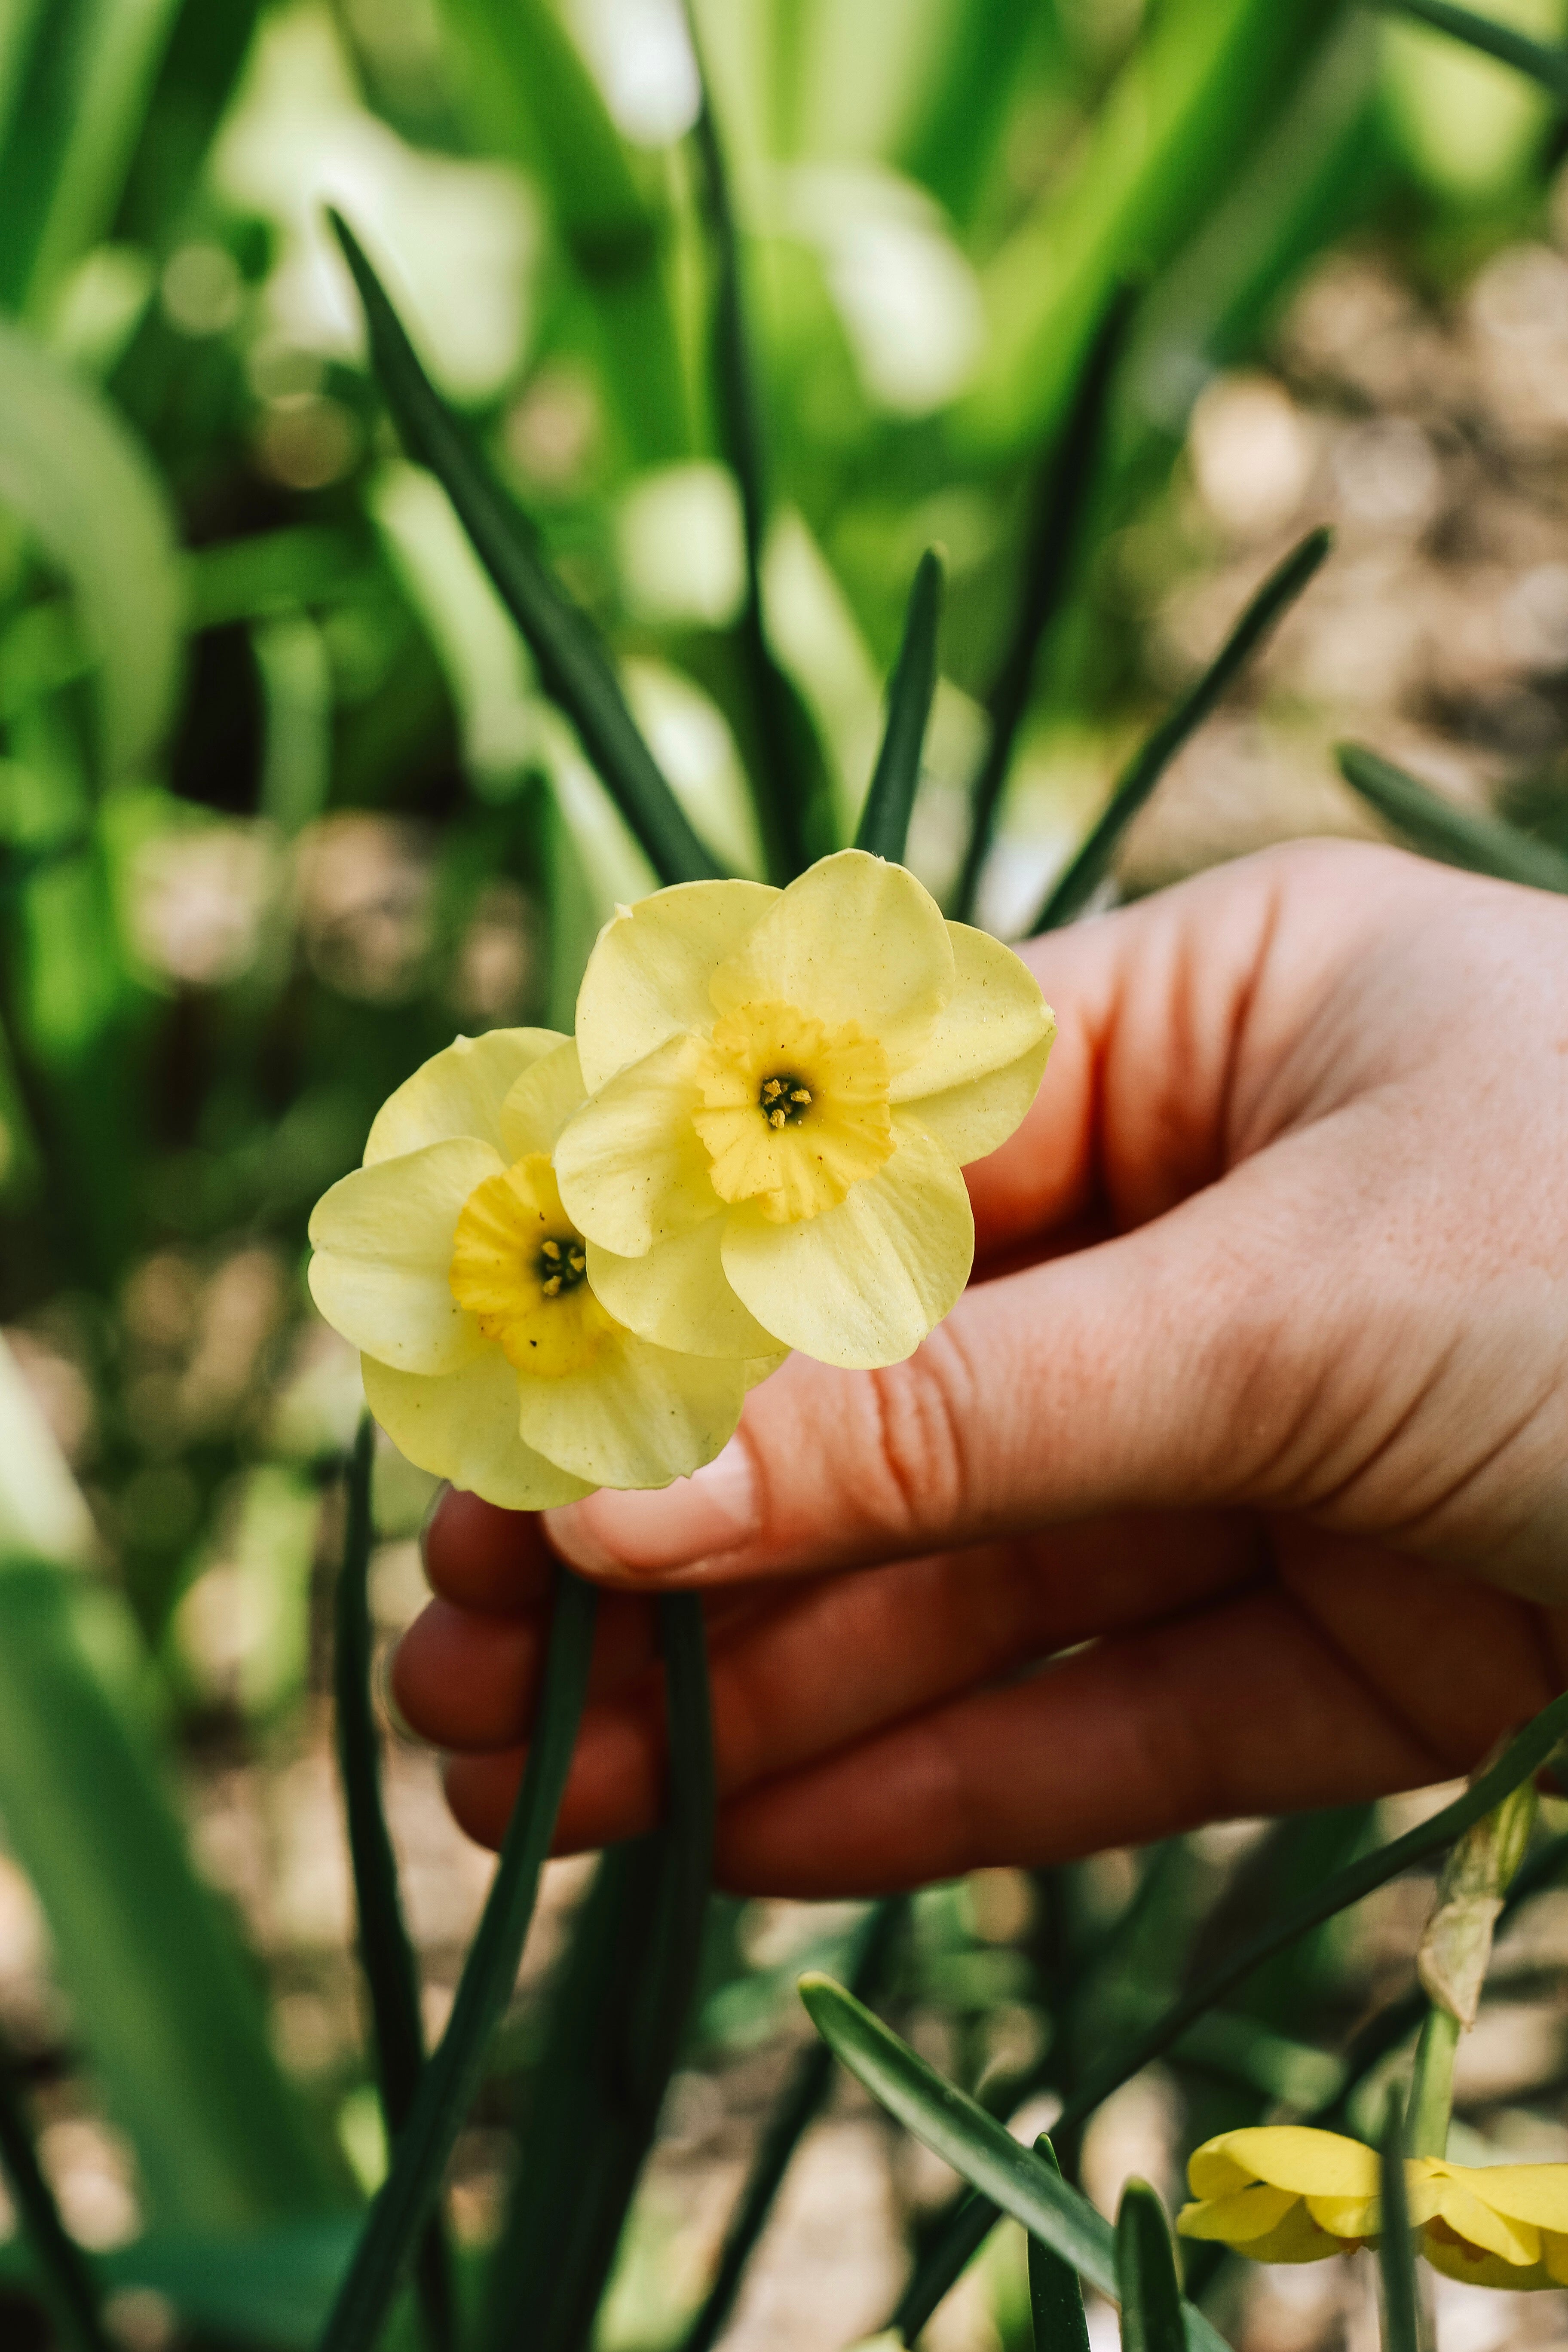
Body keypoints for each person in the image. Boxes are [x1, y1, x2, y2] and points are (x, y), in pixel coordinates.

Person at [390, 839, 1568, 1896]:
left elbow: (973, 1073)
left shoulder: (797, 1142)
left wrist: (911, 1417)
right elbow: (605, 1180)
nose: (792, 1097)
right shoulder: (613, 1188)